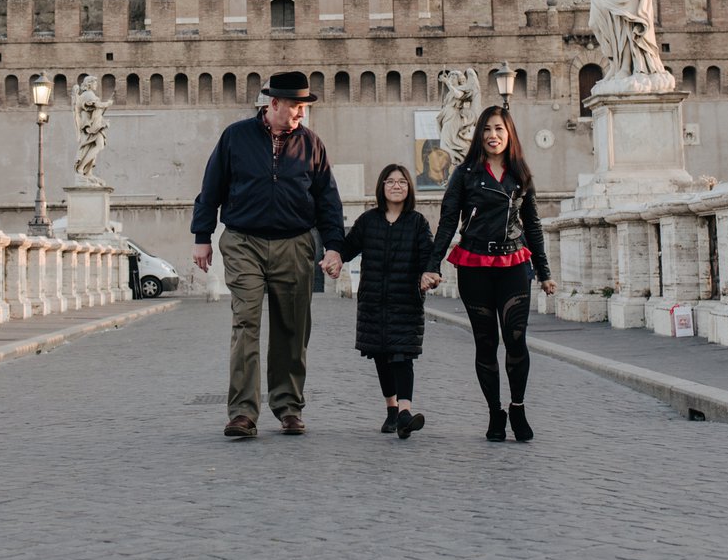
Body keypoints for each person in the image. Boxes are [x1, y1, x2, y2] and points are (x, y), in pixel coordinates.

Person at [192, 71, 345, 439]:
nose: (300, 114)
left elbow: (328, 199)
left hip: (295, 243)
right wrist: (202, 236)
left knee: (292, 328)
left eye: (304, 107)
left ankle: (288, 405)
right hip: (244, 241)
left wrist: (335, 245)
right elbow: (211, 186)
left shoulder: (311, 144)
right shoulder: (235, 137)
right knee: (246, 322)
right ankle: (242, 412)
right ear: (273, 104)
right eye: (295, 107)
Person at [422, 105, 555, 442]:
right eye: (487, 130)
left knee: (515, 339)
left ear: (509, 134)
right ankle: (495, 412)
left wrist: (544, 271)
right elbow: (449, 220)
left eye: (499, 129)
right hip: (475, 265)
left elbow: (533, 225)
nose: (493, 135)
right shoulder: (465, 174)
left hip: (514, 263)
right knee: (485, 343)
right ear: (478, 135)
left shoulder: (519, 173)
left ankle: (518, 407)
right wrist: (433, 264)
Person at [341, 164, 436, 439]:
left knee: (402, 355)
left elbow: (427, 256)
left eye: (402, 181)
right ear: (382, 187)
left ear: (409, 188)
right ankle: (392, 410)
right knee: (382, 356)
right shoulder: (368, 220)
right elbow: (348, 248)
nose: (396, 186)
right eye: (390, 181)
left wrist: (430, 274)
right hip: (373, 301)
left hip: (406, 300)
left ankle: (405, 412)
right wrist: (333, 254)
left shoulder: (417, 222)